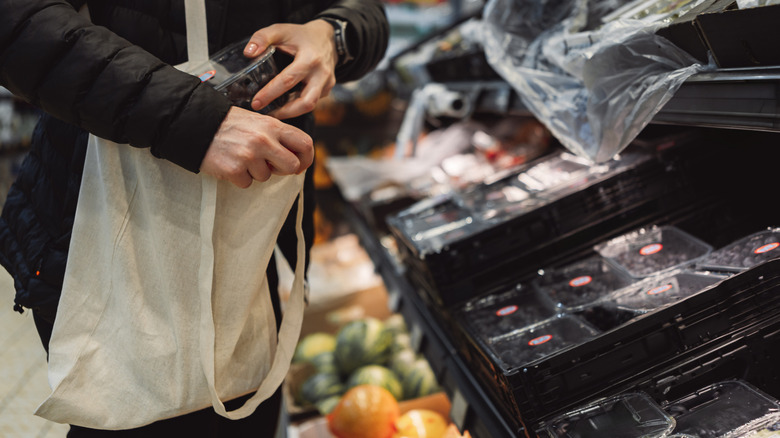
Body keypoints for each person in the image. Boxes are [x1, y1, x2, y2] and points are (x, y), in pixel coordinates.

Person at [0, 0, 389, 436]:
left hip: (253, 237)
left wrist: (334, 34)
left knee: (246, 402)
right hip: (110, 224)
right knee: (130, 410)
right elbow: (15, 22)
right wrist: (199, 122)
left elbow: (366, 13)